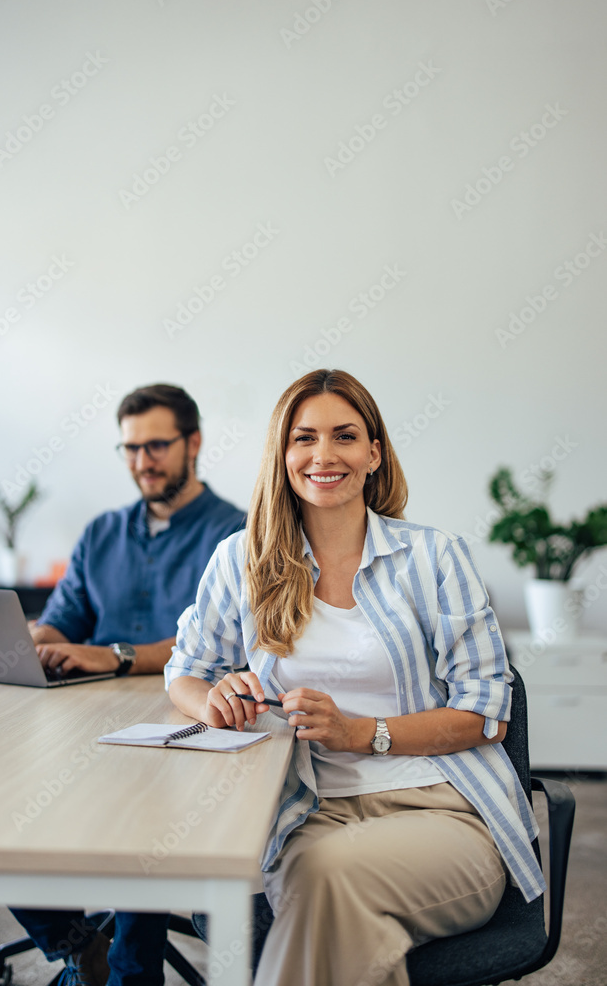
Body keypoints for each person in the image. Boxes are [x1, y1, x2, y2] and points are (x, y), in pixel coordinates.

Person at [165, 369, 546, 986]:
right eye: (304, 438)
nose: (323, 455)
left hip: (443, 813)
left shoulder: (433, 557)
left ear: (374, 453)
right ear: (282, 454)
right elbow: (184, 672)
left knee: (325, 885)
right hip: (306, 814)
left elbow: (486, 713)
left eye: (344, 436)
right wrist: (211, 698)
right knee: (335, 902)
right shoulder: (242, 558)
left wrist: (362, 732)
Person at [10, 383, 245, 986]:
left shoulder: (237, 535)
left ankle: (130, 971)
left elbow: (225, 649)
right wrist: (35, 641)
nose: (143, 461)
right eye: (132, 448)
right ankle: (77, 945)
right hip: (83, 723)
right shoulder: (101, 533)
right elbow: (65, 622)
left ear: (193, 443)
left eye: (157, 445)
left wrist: (112, 656)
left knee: (148, 819)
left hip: (189, 725)